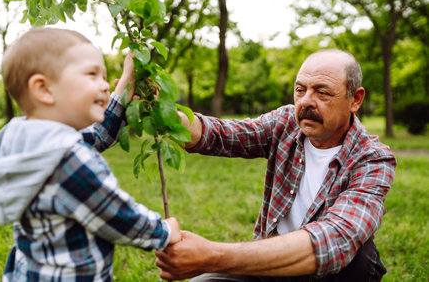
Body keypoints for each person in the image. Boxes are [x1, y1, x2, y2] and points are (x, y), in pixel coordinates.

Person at [155, 49, 396, 281]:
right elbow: (221, 134)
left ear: (355, 99)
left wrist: (212, 256)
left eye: (322, 93)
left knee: (360, 255)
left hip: (333, 275)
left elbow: (335, 240)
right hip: (270, 265)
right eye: (300, 90)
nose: (306, 102)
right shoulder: (285, 124)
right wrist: (163, 113)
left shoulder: (373, 159)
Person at [0, 27, 180, 281]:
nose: (105, 85)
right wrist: (162, 231)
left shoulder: (29, 140)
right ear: (43, 89)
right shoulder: (68, 159)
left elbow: (95, 136)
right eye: (92, 74)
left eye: (105, 76)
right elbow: (115, 214)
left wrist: (125, 86)